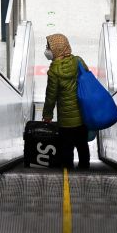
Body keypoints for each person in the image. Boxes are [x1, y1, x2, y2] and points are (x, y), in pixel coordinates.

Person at [42, 33, 90, 169]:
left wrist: (47, 115)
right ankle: (84, 169)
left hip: (66, 121)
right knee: (82, 145)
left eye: (48, 48)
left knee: (66, 148)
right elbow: (87, 78)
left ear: (57, 49)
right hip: (82, 116)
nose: (47, 50)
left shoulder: (54, 71)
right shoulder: (78, 61)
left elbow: (50, 96)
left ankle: (68, 170)